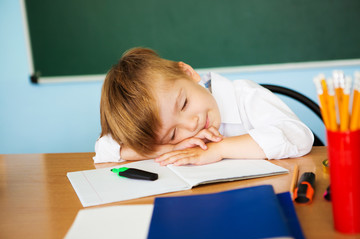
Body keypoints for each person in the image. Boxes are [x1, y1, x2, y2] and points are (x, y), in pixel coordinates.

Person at [93, 47, 313, 166]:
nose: (191, 124)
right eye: (173, 133)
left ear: (188, 73)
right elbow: (105, 148)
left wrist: (219, 149)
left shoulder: (245, 96)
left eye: (184, 104)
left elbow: (299, 136)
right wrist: (172, 148)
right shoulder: (178, 139)